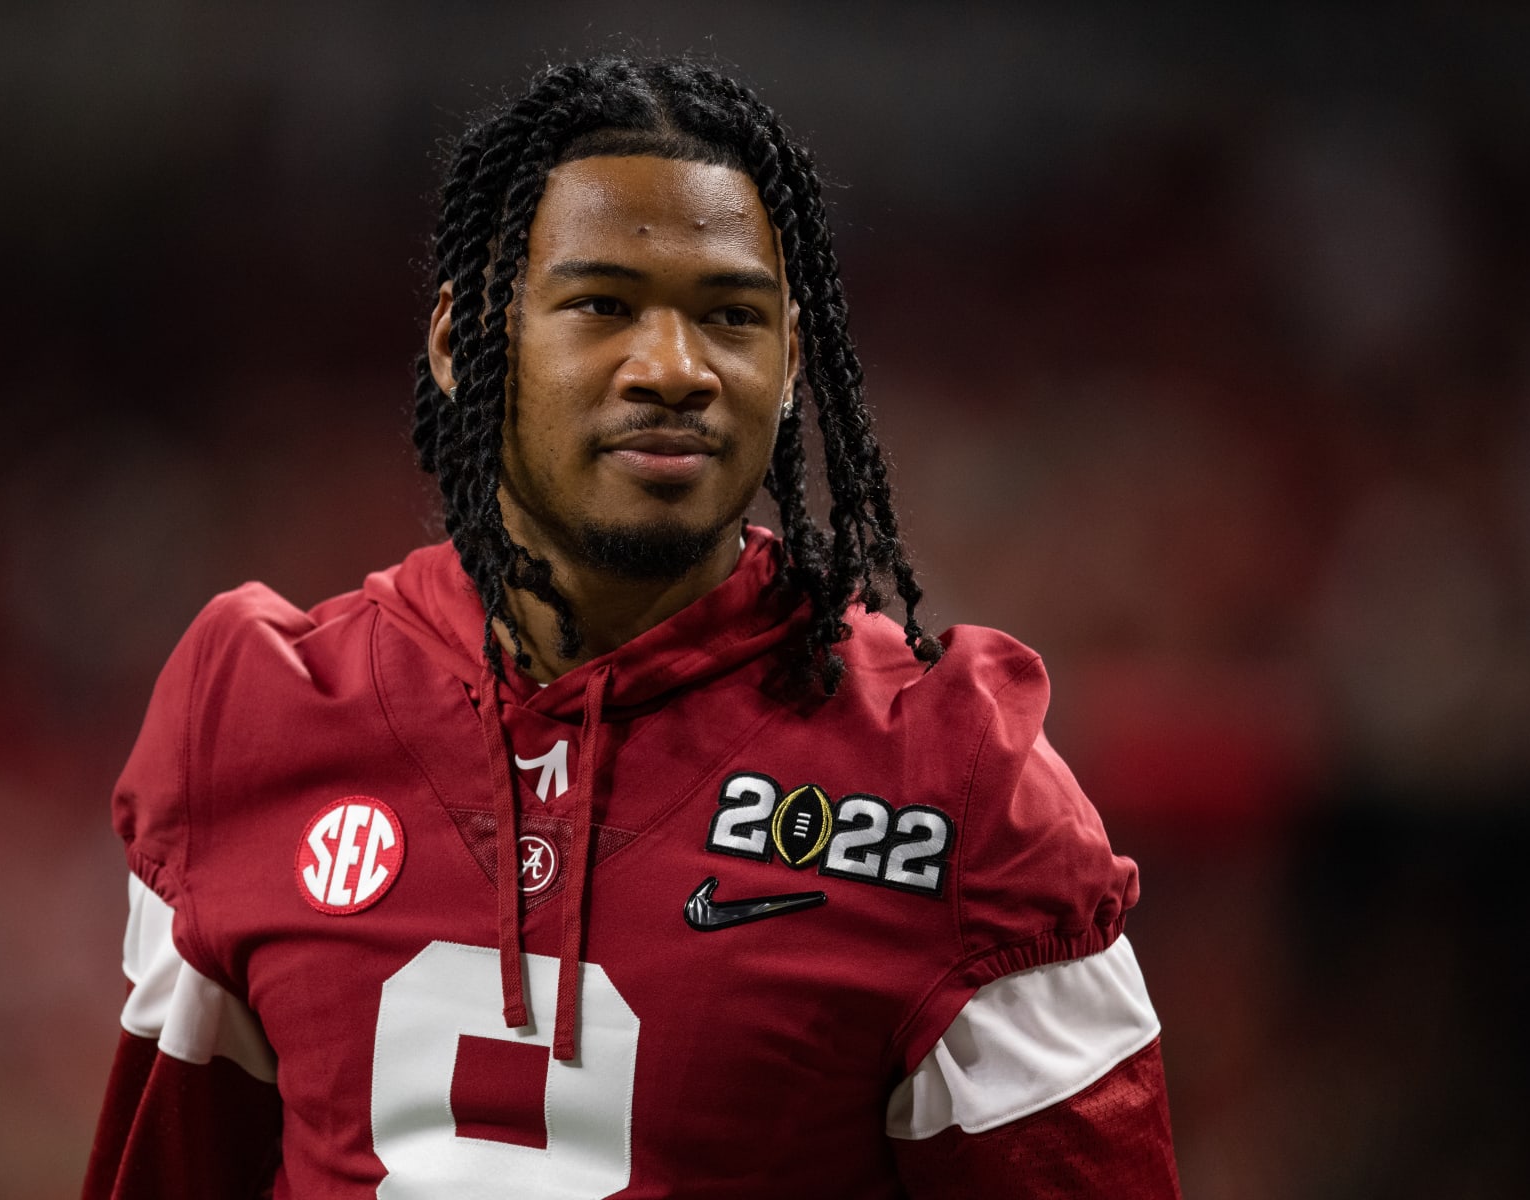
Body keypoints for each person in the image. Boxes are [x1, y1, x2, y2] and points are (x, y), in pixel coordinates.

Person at [83, 55, 1180, 1199]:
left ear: (793, 360)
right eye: (602, 304)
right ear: (465, 345)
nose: (674, 369)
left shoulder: (958, 781)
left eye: (733, 316)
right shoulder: (253, 713)